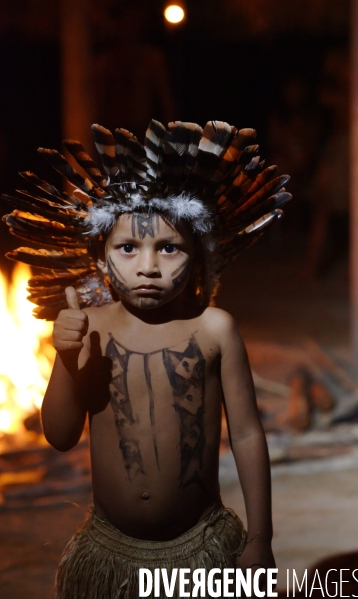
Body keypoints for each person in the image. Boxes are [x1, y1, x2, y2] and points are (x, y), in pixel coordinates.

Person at [2, 119, 291, 598]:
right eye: (129, 247)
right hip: (111, 551)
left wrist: (260, 538)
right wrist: (67, 358)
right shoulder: (90, 327)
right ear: (100, 258)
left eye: (169, 248)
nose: (149, 266)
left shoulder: (214, 329)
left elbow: (244, 433)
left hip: (201, 544)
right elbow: (59, 436)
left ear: (197, 258)